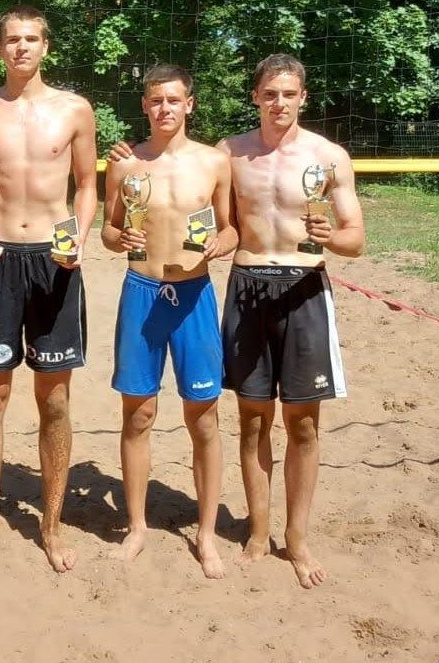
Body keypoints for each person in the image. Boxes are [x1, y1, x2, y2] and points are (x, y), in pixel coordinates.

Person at [0, 5, 98, 573]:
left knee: (55, 400)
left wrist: (78, 237)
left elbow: (87, 185)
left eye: (31, 38)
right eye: (12, 39)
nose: (21, 47)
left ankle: (51, 525)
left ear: (46, 46)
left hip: (54, 260)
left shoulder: (74, 109)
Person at [218, 53, 365, 588]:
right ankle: (259, 530)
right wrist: (128, 156)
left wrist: (332, 238)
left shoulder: (328, 156)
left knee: (302, 422)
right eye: (269, 93)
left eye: (288, 93)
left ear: (303, 97)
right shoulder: (230, 153)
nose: (278, 103)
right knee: (253, 418)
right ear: (255, 97)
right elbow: (217, 217)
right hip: (248, 284)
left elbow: (355, 238)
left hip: (304, 288)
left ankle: (297, 538)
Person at [100, 64, 236, 579]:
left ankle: (206, 533)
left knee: (204, 418)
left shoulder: (214, 162)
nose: (164, 109)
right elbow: (109, 231)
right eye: (156, 101)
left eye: (173, 100)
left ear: (189, 104)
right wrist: (120, 239)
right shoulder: (125, 164)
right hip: (142, 291)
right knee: (138, 414)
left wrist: (220, 245)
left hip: (195, 295)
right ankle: (137, 526)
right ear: (145, 105)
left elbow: (231, 229)